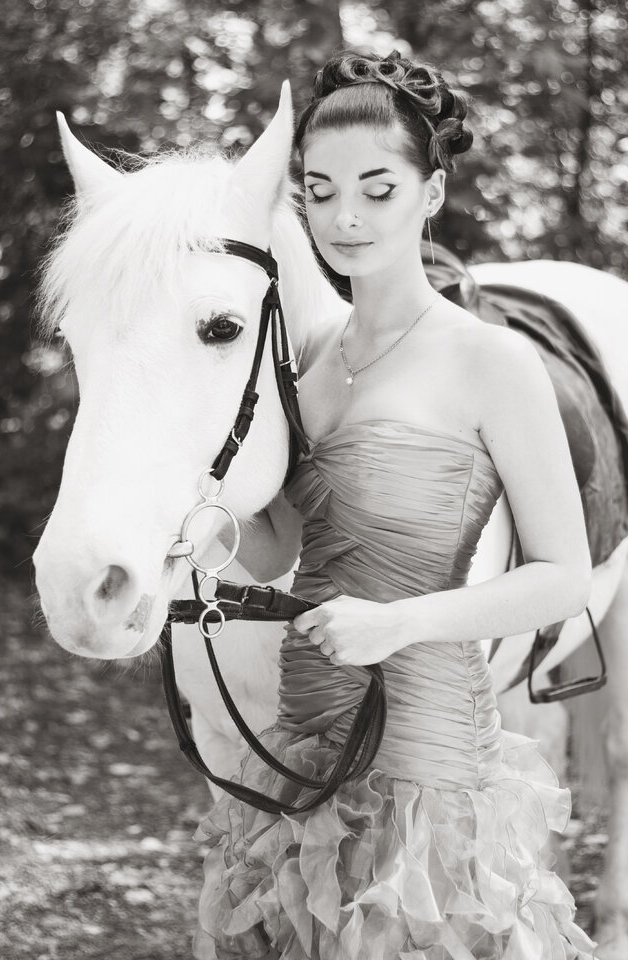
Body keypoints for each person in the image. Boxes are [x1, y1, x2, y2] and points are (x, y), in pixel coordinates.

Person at [193, 50, 596, 959]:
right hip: (305, 739)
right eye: (320, 191)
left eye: (378, 190)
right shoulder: (307, 357)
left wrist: (397, 622)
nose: (345, 216)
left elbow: (564, 577)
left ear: (431, 192)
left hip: (422, 754)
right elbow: (279, 546)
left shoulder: (490, 360)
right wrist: (196, 517)